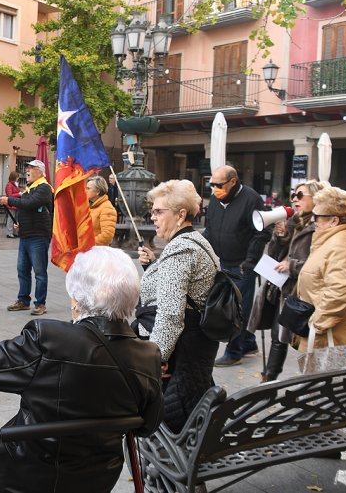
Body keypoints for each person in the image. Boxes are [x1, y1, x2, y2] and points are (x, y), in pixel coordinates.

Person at [0, 246, 163, 493]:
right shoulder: (148, 356)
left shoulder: (49, 340)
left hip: (25, 475)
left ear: (79, 298)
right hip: (96, 479)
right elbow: (148, 425)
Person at [135, 180, 218, 433]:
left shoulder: (180, 250)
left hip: (181, 351)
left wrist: (155, 356)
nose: (153, 216)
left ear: (181, 215)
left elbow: (170, 314)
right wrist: (154, 265)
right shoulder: (195, 242)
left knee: (178, 414)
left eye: (159, 211)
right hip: (196, 346)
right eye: (153, 211)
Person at [259, 180, 326, 382]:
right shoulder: (294, 223)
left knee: (306, 340)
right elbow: (273, 255)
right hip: (285, 289)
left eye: (300, 195)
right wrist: (279, 237)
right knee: (278, 336)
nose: (294, 199)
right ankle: (269, 377)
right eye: (293, 195)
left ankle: (312, 382)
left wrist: (292, 265)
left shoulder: (320, 227)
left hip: (305, 292)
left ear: (316, 198)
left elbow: (319, 261)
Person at [203, 165, 271, 367]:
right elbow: (210, 227)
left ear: (233, 181)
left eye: (219, 184)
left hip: (242, 264)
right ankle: (248, 343)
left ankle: (234, 351)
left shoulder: (252, 198)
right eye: (212, 184)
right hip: (221, 261)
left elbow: (262, 232)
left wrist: (250, 260)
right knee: (226, 304)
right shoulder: (216, 199)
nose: (214, 189)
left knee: (237, 309)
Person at [295, 186, 346, 359]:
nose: (312, 220)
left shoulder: (339, 245)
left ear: (334, 220)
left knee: (323, 384)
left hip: (330, 337)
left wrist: (317, 324)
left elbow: (340, 292)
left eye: (317, 217)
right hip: (328, 334)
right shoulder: (336, 238)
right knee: (321, 384)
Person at [0, 160, 53, 316]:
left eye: (31, 168)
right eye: (27, 167)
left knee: (40, 272)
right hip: (26, 235)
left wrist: (9, 200)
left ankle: (40, 304)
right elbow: (28, 210)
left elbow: (29, 203)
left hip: (38, 236)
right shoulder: (30, 188)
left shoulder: (44, 188)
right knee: (22, 270)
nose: (27, 170)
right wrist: (20, 224)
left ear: (40, 172)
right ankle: (23, 300)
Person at [86, 175, 117, 246]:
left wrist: (87, 243)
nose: (85, 191)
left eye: (88, 188)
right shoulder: (88, 206)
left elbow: (107, 236)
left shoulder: (107, 208)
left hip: (97, 253)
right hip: (86, 252)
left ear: (98, 192)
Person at [4, 170, 20, 238]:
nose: (18, 178)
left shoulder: (14, 184)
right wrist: (18, 194)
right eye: (17, 177)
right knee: (11, 218)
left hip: (16, 204)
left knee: (15, 219)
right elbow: (10, 195)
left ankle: (14, 232)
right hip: (11, 204)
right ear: (14, 177)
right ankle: (9, 233)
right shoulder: (9, 185)